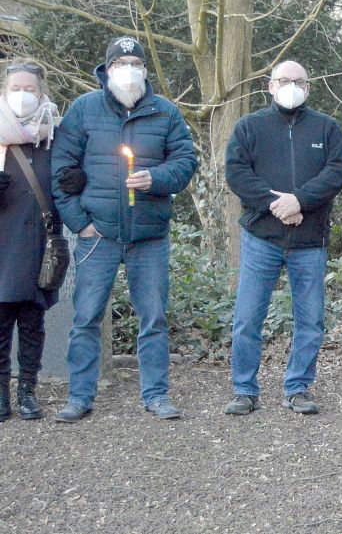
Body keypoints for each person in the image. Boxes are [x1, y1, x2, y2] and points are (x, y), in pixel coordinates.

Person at [50, 36, 198, 422]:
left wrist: (157, 177)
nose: (128, 69)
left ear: (145, 69)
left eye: (135, 62)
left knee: (153, 318)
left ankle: (156, 395)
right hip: (98, 235)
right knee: (85, 318)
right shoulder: (83, 110)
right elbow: (60, 171)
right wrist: (79, 224)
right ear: (107, 68)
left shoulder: (165, 113)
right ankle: (80, 396)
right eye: (120, 62)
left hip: (149, 235)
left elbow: (185, 161)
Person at [223, 60, 342, 416]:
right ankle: (244, 390)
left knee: (310, 319)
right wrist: (276, 204)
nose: (291, 86)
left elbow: (337, 171)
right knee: (248, 317)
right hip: (261, 236)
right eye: (284, 80)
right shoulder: (249, 127)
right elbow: (236, 172)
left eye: (298, 81)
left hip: (310, 240)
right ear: (270, 85)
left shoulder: (326, 128)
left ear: (308, 88)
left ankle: (297, 388)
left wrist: (301, 201)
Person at [0, 58, 62, 421]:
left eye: (30, 90)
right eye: (16, 89)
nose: (23, 96)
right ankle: (2, 395)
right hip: (2, 239)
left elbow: (66, 178)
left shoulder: (53, 134)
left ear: (42, 93)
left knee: (32, 321)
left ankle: (27, 390)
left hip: (38, 239)